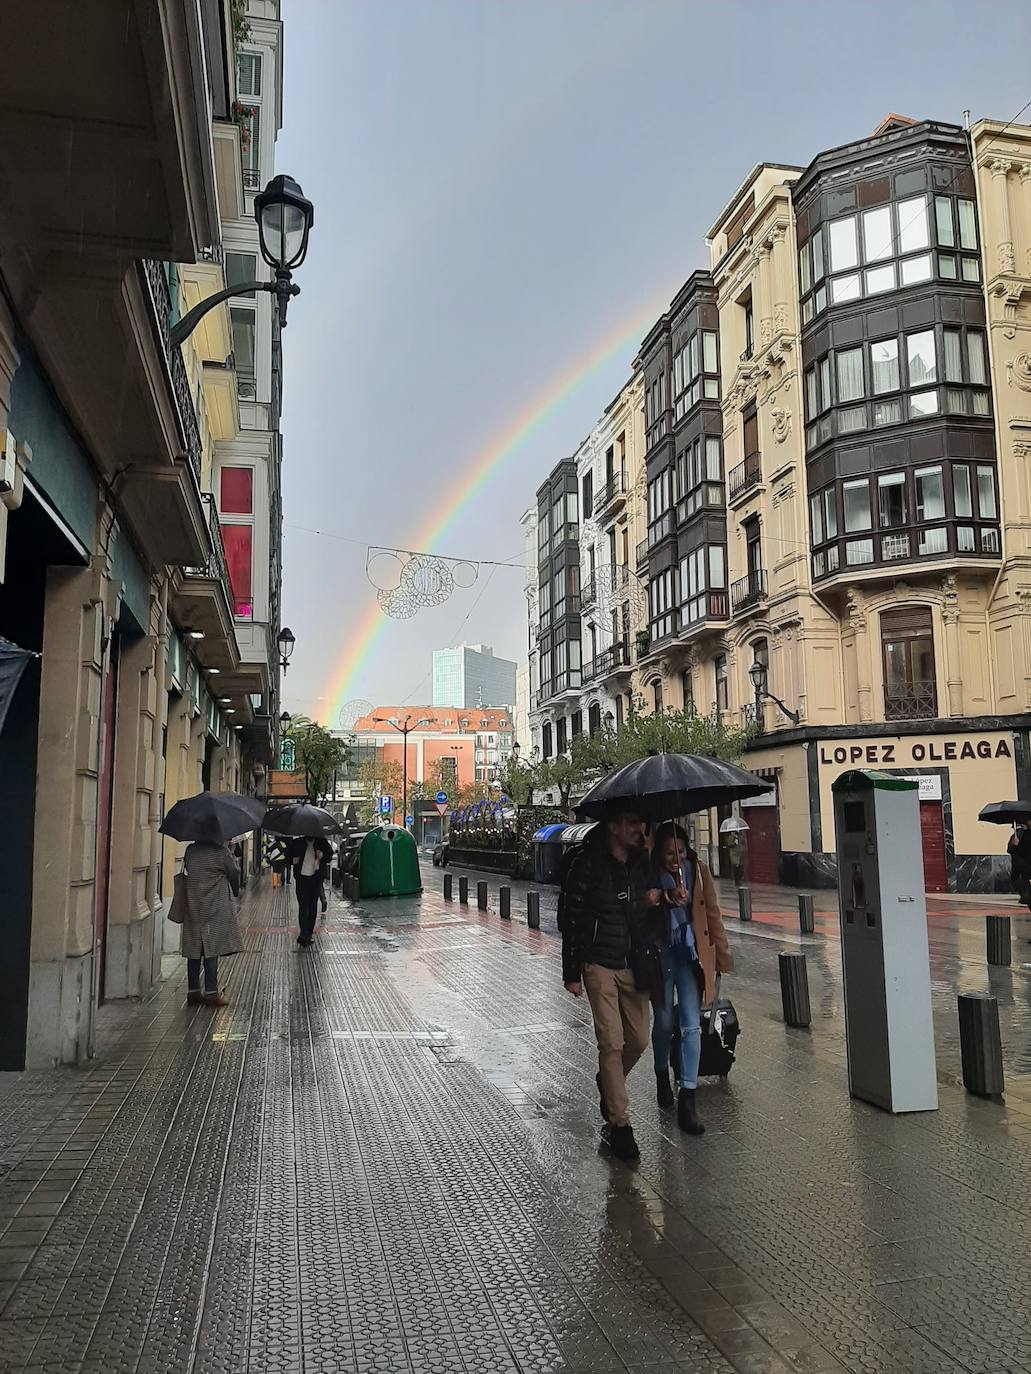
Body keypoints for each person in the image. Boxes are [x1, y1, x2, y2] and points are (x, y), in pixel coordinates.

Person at [560, 808, 653, 1161]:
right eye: (630, 821)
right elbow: (571, 915)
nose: (637, 827)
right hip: (598, 962)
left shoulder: (641, 860)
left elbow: (646, 907)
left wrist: (658, 899)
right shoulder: (587, 863)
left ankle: (607, 1083)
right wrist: (571, 972)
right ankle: (620, 1124)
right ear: (612, 826)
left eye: (638, 821)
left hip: (633, 962)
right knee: (611, 1041)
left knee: (639, 1039)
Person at [645, 823, 733, 1135]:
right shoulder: (649, 872)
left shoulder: (697, 870)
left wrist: (721, 955)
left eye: (680, 852)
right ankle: (660, 1074)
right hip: (660, 954)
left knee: (691, 1024)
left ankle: (688, 1096)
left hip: (691, 955)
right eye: (669, 853)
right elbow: (640, 908)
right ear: (659, 852)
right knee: (665, 1021)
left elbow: (712, 913)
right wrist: (666, 897)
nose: (675, 858)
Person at [181, 840, 242, 1007]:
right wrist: (230, 852)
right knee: (211, 946)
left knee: (194, 947)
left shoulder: (190, 850)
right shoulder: (220, 852)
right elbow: (234, 873)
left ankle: (193, 991)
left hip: (193, 900)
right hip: (214, 903)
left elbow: (189, 868)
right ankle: (211, 992)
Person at [289, 834, 333, 947]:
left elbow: (329, 856)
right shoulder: (298, 843)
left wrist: (321, 855)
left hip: (315, 880)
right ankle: (303, 934)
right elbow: (288, 856)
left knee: (312, 907)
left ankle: (308, 934)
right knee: (303, 907)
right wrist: (293, 860)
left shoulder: (322, 842)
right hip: (301, 880)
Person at [1007, 817, 1031, 911]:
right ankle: (1025, 896)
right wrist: (1016, 846)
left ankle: (1025, 896)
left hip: (1023, 865)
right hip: (1024, 866)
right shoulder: (1026, 834)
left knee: (1019, 882)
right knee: (1021, 883)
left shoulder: (1023, 834)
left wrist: (1015, 847)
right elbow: (1022, 850)